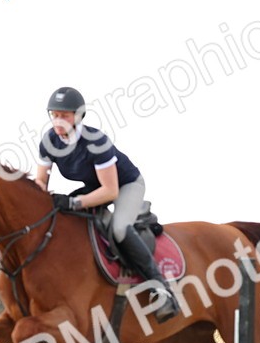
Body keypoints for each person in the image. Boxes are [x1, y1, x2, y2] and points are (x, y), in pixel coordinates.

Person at [34, 86, 180, 322]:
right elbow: (41, 181)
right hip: (94, 186)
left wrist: (72, 201)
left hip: (125, 186)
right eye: (54, 115)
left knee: (119, 229)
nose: (58, 121)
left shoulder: (95, 141)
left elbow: (110, 191)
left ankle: (161, 289)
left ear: (79, 116)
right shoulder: (49, 141)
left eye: (65, 115)